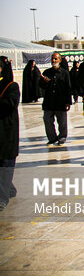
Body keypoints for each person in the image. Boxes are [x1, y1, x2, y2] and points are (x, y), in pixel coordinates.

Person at [40, 52, 72, 146]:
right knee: (48, 121)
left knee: (62, 122)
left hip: (60, 102)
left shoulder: (65, 73)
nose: (54, 61)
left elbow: (68, 88)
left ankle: (62, 137)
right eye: (52, 59)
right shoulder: (47, 72)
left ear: (60, 60)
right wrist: (44, 82)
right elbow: (41, 86)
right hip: (49, 102)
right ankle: (52, 138)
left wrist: (68, 102)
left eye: (56, 59)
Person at [0, 56, 19, 211]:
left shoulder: (11, 86)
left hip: (6, 132)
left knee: (6, 164)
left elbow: (10, 104)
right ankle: (9, 189)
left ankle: (2, 198)